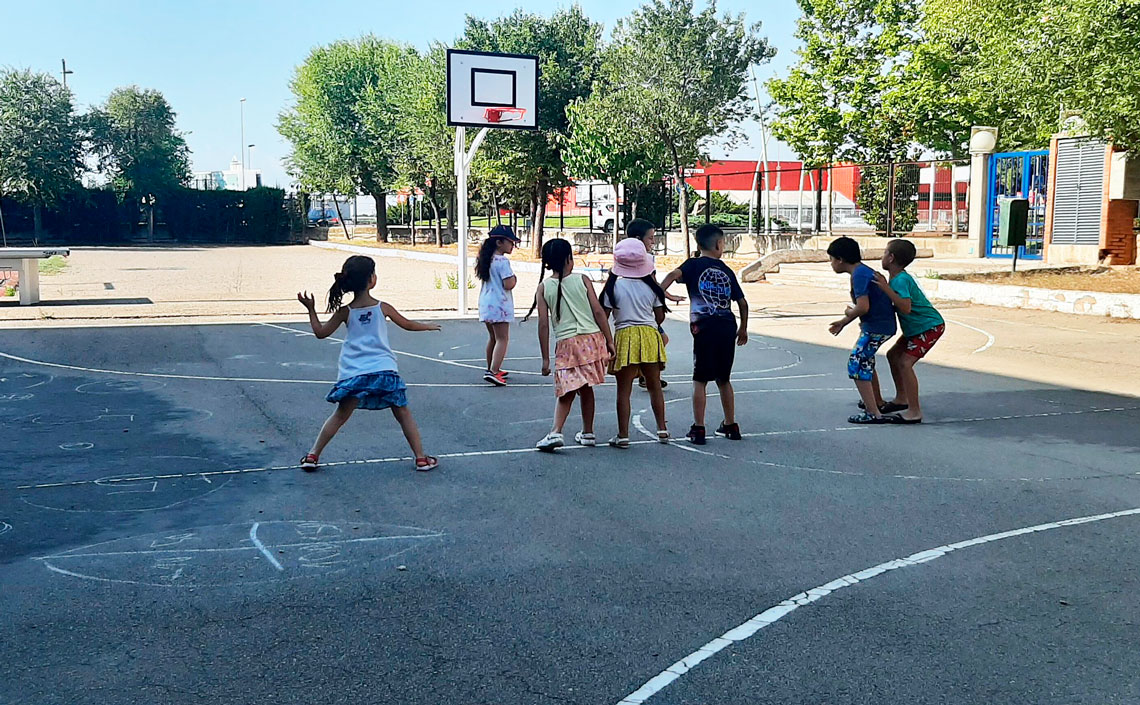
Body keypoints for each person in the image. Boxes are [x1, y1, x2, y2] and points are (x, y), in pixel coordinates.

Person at [297, 255, 441, 472]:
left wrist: (311, 309)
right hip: (384, 369)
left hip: (355, 372)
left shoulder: (345, 312)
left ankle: (312, 455)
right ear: (372, 280)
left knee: (340, 415)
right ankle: (421, 458)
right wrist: (427, 326)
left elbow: (320, 333)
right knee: (402, 413)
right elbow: (408, 325)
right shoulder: (383, 307)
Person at [661, 224, 749, 445]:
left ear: (698, 245)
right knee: (724, 379)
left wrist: (662, 293)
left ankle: (699, 428)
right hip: (727, 325)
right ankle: (731, 424)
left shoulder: (692, 265)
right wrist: (743, 328)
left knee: (700, 379)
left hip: (704, 325)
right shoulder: (726, 271)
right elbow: (742, 302)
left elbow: (672, 274)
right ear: (719, 244)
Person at [525, 238, 615, 451]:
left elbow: (544, 325)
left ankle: (556, 431)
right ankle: (588, 432)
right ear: (568, 260)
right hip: (591, 339)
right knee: (585, 388)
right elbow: (599, 312)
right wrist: (609, 340)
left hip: (567, 342)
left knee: (566, 389)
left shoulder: (543, 287)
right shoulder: (582, 280)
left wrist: (545, 358)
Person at [600, 238, 670, 447]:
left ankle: (623, 435)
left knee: (624, 390)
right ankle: (662, 429)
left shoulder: (613, 288)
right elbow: (659, 318)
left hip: (625, 336)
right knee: (654, 386)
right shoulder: (652, 288)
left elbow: (602, 316)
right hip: (649, 335)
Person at [871, 239, 945, 424]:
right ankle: (902, 398)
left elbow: (905, 307)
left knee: (905, 363)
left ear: (891, 258)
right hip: (916, 329)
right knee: (892, 355)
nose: (882, 256)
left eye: (884, 253)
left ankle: (914, 411)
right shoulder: (895, 278)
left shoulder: (901, 280)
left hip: (929, 327)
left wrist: (885, 288)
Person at [826, 236, 898, 424]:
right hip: (879, 325)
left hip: (876, 327)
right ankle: (875, 402)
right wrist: (849, 317)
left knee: (857, 363)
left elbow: (863, 306)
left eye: (832, 259)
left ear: (840, 259)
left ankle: (873, 412)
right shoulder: (862, 272)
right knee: (866, 362)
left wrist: (845, 319)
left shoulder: (859, 275)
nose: (831, 264)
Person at [625, 218, 684, 390]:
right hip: (641, 308)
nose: (653, 241)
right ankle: (645, 374)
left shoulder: (636, 257)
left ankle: (644, 374)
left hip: (640, 304)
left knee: (661, 338)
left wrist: (667, 294)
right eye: (650, 238)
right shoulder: (646, 259)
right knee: (660, 339)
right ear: (638, 239)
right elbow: (652, 283)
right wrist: (663, 295)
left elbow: (653, 283)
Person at [475, 224, 520, 387]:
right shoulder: (502, 261)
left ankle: (492, 367)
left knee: (493, 338)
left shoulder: (486, 259)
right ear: (499, 242)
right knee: (502, 338)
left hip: (487, 303)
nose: (512, 245)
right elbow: (508, 284)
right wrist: (515, 279)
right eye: (510, 242)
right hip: (499, 305)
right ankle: (493, 371)